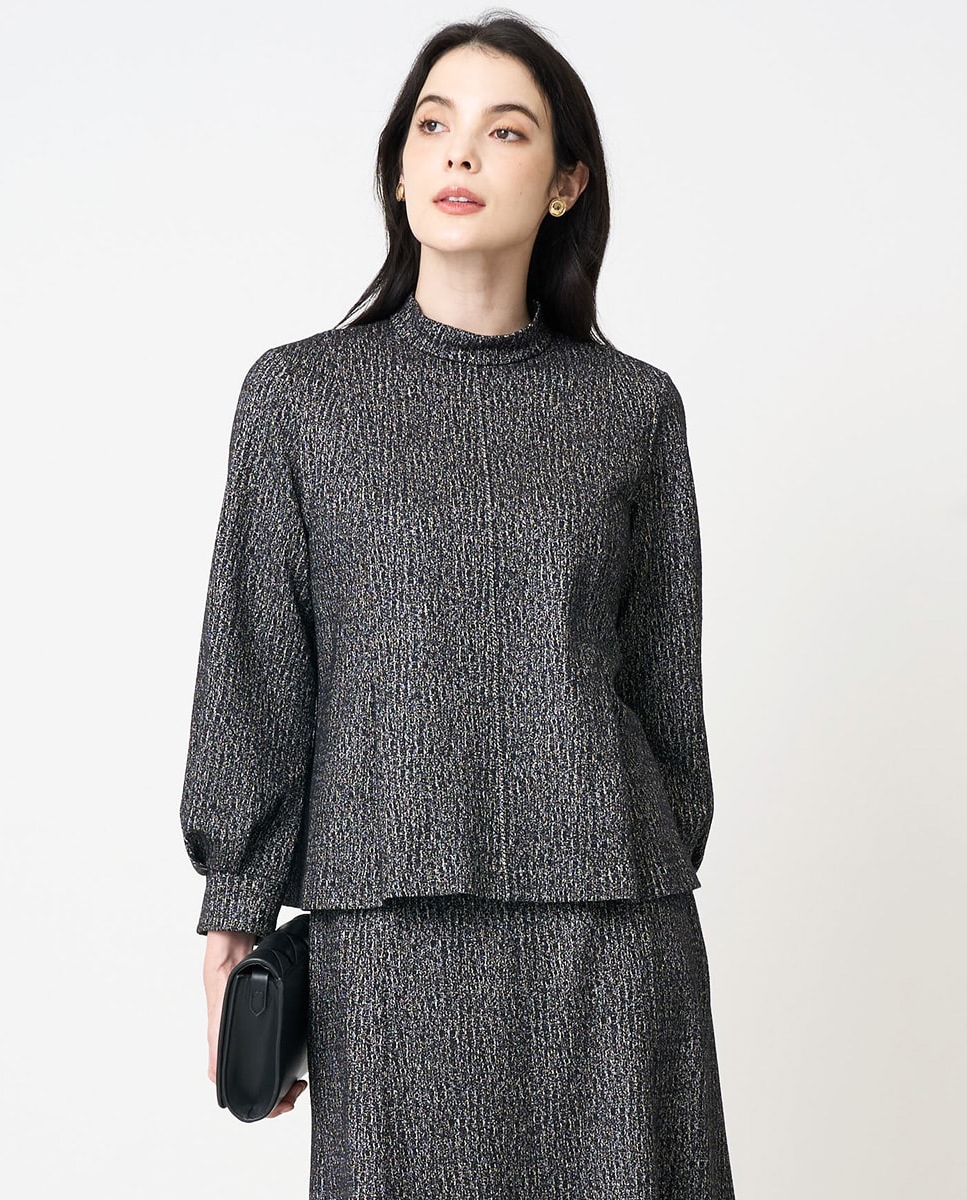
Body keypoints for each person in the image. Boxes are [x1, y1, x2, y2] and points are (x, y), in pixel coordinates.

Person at [181, 12, 736, 1198]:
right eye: (433, 126)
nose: (461, 153)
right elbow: (254, 672)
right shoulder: (299, 397)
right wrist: (234, 913)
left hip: (610, 933)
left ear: (565, 182)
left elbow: (665, 704)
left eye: (505, 130)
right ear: (398, 168)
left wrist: (617, 852)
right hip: (387, 926)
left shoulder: (634, 409)